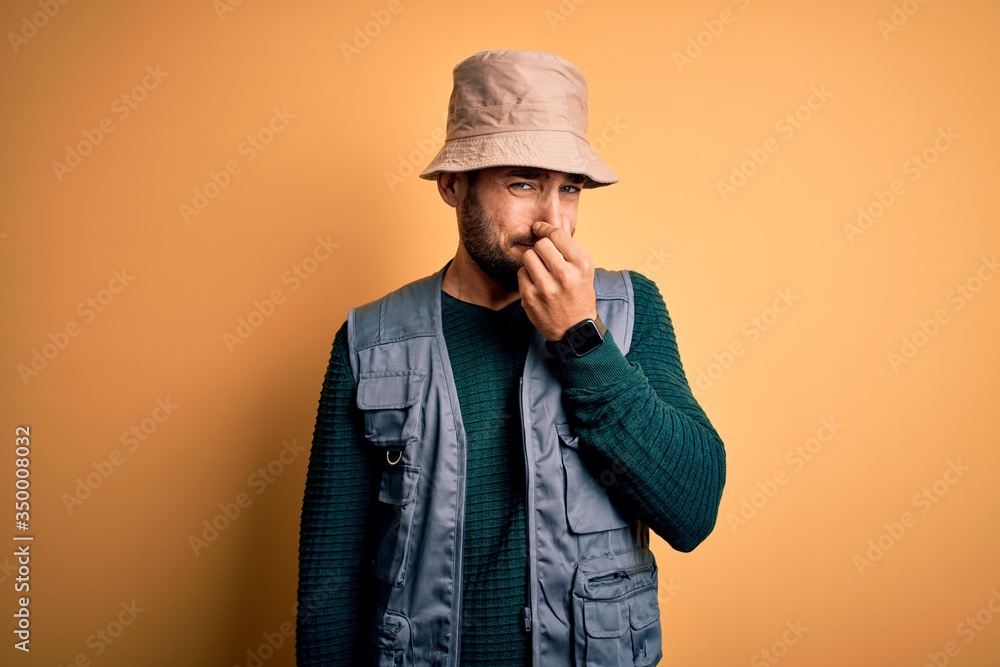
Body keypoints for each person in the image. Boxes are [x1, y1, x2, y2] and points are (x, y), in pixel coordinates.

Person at [296, 49, 726, 666]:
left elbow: (692, 511)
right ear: (454, 186)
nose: (552, 222)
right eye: (523, 184)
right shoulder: (372, 339)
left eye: (569, 190)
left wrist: (582, 341)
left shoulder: (630, 310)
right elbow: (329, 577)